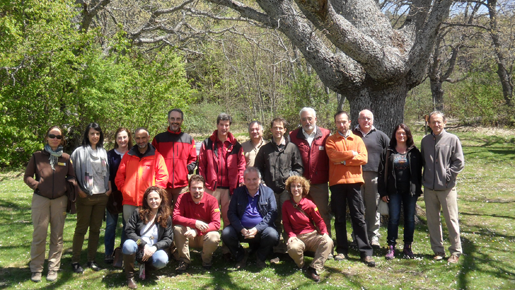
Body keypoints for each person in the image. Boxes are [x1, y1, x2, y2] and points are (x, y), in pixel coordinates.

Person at [24, 126, 76, 282]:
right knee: (39, 235)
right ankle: (36, 269)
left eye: (58, 136)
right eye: (51, 135)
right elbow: (27, 176)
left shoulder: (66, 158)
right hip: (41, 199)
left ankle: (53, 268)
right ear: (46, 137)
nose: (55, 138)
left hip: (60, 201)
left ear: (62, 139)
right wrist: (37, 185)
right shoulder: (37, 156)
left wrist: (67, 185)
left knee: (57, 236)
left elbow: (72, 177)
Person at [325, 111, 375, 267]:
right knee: (339, 218)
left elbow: (363, 158)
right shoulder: (331, 140)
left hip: (354, 182)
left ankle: (365, 252)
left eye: (344, 122)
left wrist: (345, 161)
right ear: (335, 123)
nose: (342, 125)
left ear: (349, 122)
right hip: (337, 182)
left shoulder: (357, 139)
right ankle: (342, 250)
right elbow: (333, 157)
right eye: (339, 122)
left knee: (358, 217)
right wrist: (352, 154)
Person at [198, 113, 245, 259]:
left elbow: (241, 165)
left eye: (227, 125)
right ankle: (207, 249)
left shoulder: (236, 145)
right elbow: (201, 165)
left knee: (228, 220)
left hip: (230, 189)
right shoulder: (207, 143)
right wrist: (202, 185)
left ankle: (227, 250)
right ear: (217, 125)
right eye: (221, 124)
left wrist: (240, 181)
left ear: (230, 126)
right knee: (209, 218)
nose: (224, 128)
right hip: (211, 188)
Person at [255, 117, 303, 255]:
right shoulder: (265, 149)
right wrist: (261, 181)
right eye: (275, 127)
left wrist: (291, 178)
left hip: (286, 190)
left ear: (285, 130)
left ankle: (290, 248)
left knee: (288, 218)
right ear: (271, 130)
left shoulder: (292, 148)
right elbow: (257, 168)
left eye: (280, 128)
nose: (278, 130)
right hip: (269, 191)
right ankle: (274, 249)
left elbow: (299, 168)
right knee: (273, 219)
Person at [421, 111, 465, 263]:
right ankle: (438, 250)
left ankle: (455, 251)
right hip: (429, 188)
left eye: (439, 122)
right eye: (433, 122)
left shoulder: (452, 139)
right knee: (433, 221)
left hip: (446, 188)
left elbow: (459, 162)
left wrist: (448, 175)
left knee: (451, 220)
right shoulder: (425, 141)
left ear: (444, 122)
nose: (436, 124)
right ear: (429, 124)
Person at [70, 123, 112, 273]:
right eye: (92, 133)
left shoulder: (103, 152)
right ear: (87, 135)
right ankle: (75, 261)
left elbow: (107, 172)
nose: (95, 136)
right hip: (86, 195)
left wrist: (109, 189)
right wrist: (79, 190)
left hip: (102, 195)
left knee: (95, 229)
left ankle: (91, 260)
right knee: (81, 229)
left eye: (97, 134)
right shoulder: (79, 152)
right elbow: (72, 174)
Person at [378, 124, 422, 260]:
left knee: (409, 219)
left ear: (408, 135)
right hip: (393, 191)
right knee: (393, 218)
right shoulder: (388, 151)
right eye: (399, 133)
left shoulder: (414, 152)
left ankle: (407, 246)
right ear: (394, 135)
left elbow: (419, 172)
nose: (401, 136)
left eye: (404, 133)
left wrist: (418, 189)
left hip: (410, 191)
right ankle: (391, 246)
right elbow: (381, 172)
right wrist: (383, 192)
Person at [222, 167, 279, 269]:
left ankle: (260, 257)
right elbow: (231, 213)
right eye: (248, 179)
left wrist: (257, 229)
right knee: (226, 233)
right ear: (244, 180)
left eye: (254, 179)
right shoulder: (238, 192)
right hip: (242, 230)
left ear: (260, 180)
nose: (251, 182)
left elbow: (272, 213)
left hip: (261, 230)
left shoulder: (268, 192)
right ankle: (241, 256)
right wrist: (241, 229)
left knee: (272, 235)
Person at [289, 107, 332, 238]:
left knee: (322, 213)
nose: (307, 122)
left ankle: (326, 243)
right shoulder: (293, 136)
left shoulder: (325, 134)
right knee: (301, 214)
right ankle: (306, 244)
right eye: (304, 119)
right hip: (300, 184)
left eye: (310, 119)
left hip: (320, 182)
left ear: (315, 119)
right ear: (300, 121)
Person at [115, 127, 168, 230]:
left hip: (148, 203)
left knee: (147, 231)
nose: (141, 141)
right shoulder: (128, 156)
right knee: (129, 231)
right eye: (138, 138)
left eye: (143, 138)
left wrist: (154, 193)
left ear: (148, 137)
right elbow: (119, 177)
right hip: (129, 202)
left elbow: (163, 177)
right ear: (134, 139)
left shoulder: (157, 157)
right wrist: (125, 190)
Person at [282, 176, 333, 282]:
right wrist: (291, 235)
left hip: (311, 235)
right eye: (293, 186)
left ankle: (314, 267)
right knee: (293, 248)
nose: (296, 189)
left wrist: (324, 233)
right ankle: (302, 265)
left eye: (298, 186)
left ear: (303, 188)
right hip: (297, 237)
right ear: (289, 188)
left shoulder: (309, 204)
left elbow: (319, 221)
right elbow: (286, 223)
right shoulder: (286, 205)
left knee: (328, 242)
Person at [352, 109, 389, 247]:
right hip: (354, 176)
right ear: (358, 120)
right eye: (363, 118)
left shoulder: (380, 136)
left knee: (373, 208)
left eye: (368, 118)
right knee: (357, 208)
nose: (366, 121)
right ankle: (357, 236)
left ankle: (373, 237)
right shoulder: (352, 135)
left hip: (374, 177)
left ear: (372, 120)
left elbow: (390, 153)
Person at [123, 186, 173, 289]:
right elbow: (129, 231)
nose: (153, 201)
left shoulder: (166, 217)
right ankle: (130, 277)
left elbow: (168, 239)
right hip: (138, 245)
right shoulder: (138, 212)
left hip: (154, 248)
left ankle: (147, 267)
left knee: (162, 259)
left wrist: (155, 247)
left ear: (161, 199)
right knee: (128, 245)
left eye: (156, 198)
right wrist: (143, 244)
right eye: (150, 199)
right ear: (146, 200)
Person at [172, 175, 221, 273]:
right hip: (187, 235)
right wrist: (195, 223)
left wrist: (197, 231)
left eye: (200, 188)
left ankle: (206, 260)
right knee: (177, 228)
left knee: (214, 235)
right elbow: (175, 217)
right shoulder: (182, 198)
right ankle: (184, 260)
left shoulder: (212, 200)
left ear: (204, 188)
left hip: (204, 236)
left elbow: (216, 224)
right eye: (194, 188)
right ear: (189, 188)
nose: (197, 191)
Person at [152, 108, 197, 209]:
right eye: (172, 118)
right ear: (168, 120)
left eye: (178, 119)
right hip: (163, 185)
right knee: (163, 214)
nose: (175, 121)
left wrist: (185, 171)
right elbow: (152, 160)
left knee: (180, 214)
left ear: (182, 121)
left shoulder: (188, 139)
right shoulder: (158, 139)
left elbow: (193, 159)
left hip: (182, 186)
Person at [105, 127, 132, 265]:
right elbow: (107, 174)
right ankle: (109, 252)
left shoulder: (134, 153)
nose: (122, 140)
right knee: (111, 224)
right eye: (119, 137)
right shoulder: (109, 155)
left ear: (129, 138)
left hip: (129, 195)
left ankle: (122, 252)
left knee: (127, 225)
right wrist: (109, 189)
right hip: (114, 194)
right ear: (115, 139)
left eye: (125, 137)